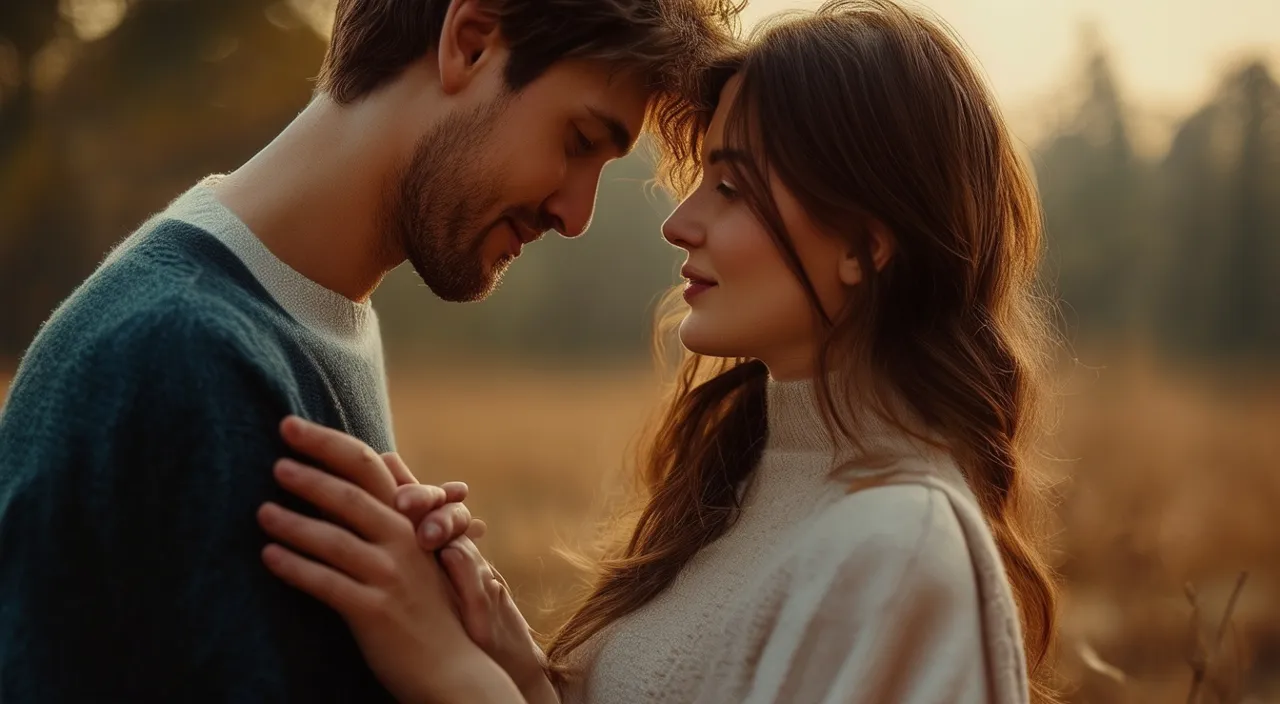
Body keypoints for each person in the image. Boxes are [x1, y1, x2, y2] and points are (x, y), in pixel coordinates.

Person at [256, 1, 1064, 703]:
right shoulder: (752, 486)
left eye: (732, 187)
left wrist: (454, 680)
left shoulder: (903, 550)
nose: (679, 223)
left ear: (865, 243)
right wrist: (512, 662)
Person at [0, 0, 739, 701]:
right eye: (579, 142)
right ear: (471, 40)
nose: (576, 214)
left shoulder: (309, 310)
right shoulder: (182, 358)